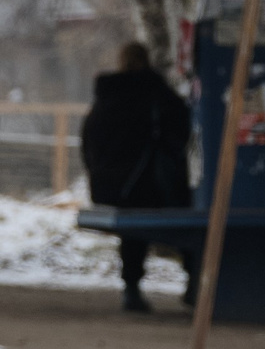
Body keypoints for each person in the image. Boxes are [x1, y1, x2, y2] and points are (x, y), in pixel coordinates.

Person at [79, 41, 193, 313]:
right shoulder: (155, 92)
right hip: (152, 182)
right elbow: (181, 127)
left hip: (114, 187)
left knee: (131, 237)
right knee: (189, 223)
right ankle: (195, 283)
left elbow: (89, 141)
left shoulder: (106, 96)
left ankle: (131, 288)